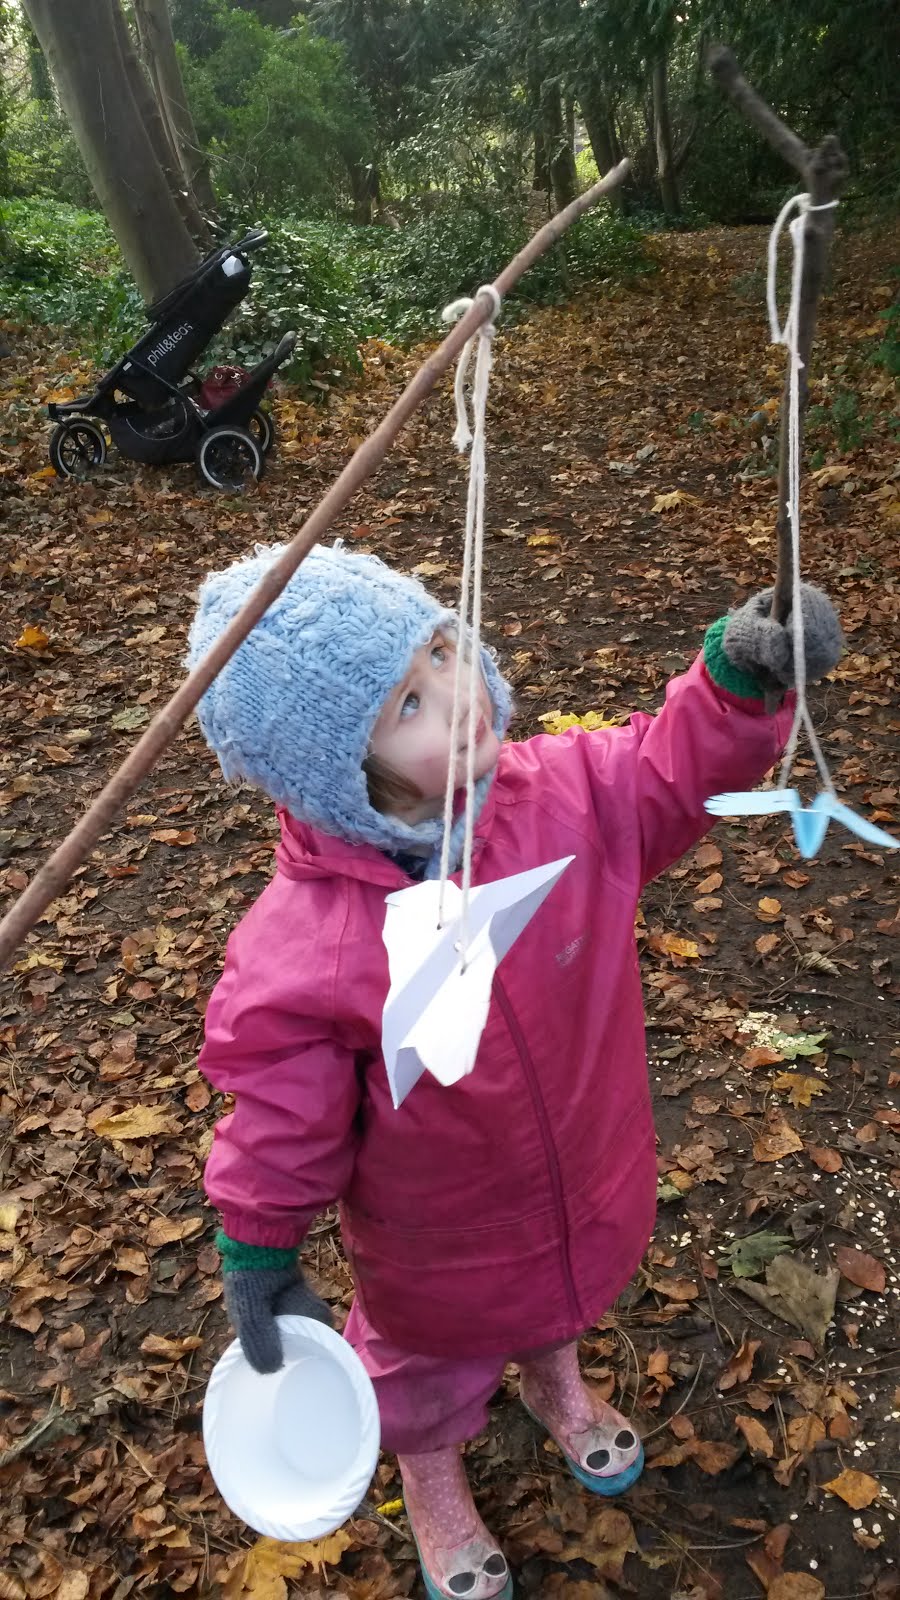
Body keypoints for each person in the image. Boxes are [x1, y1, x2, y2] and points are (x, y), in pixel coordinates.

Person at [188, 542, 841, 1600]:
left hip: (586, 1164)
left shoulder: (561, 795)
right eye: (406, 703)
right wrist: (257, 1246)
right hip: (435, 1247)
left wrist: (735, 680)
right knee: (427, 1371)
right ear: (333, 769)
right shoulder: (308, 950)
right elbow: (280, 1118)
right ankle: (433, 1469)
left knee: (558, 1305)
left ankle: (558, 1387)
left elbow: (666, 771)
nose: (455, 695)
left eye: (442, 651)